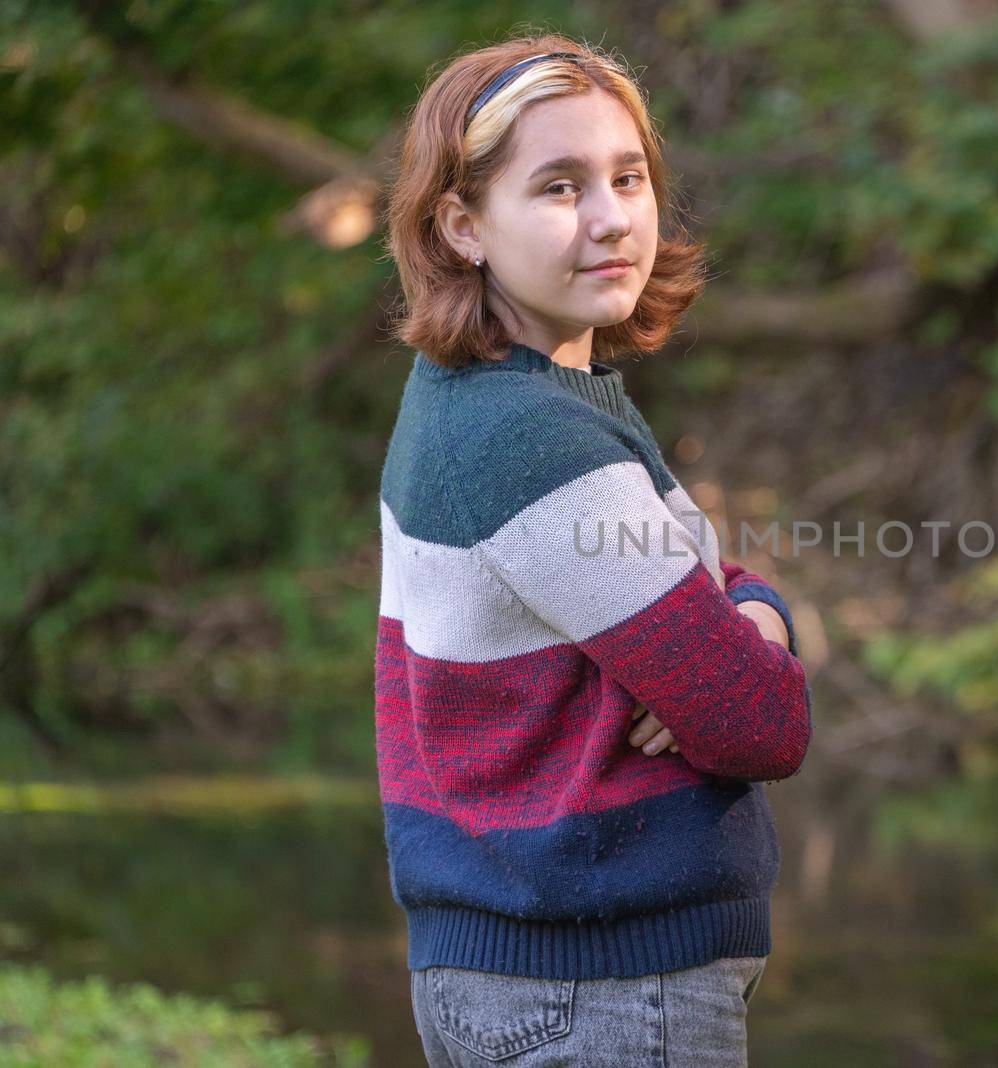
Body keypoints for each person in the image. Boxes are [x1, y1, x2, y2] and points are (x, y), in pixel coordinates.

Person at [376, 31, 812, 1067]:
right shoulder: (532, 439)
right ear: (463, 225)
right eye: (560, 187)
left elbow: (714, 598)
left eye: (628, 177)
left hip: (540, 976)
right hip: (602, 992)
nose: (614, 218)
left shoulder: (503, 398)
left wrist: (748, 618)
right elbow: (760, 719)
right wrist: (745, 634)